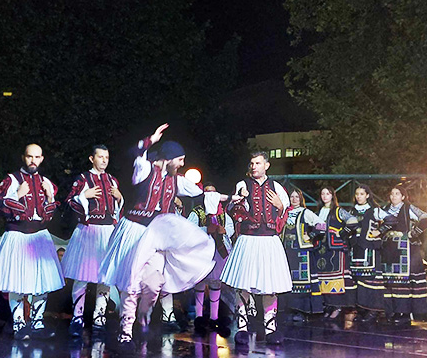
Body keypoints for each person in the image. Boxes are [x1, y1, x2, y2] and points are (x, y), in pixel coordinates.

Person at [99, 124, 222, 352]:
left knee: (153, 284)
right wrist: (151, 140)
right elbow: (134, 153)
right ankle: (125, 332)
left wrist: (233, 197)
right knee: (131, 284)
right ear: (169, 158)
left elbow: (204, 194)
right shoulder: (146, 170)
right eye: (180, 159)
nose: (182, 164)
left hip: (155, 236)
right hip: (134, 230)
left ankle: (142, 320)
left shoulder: (177, 181)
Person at [0, 143, 64, 340]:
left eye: (37, 157)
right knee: (17, 282)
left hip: (40, 235)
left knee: (42, 282)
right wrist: (16, 195)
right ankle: (19, 324)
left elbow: (52, 214)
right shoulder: (12, 180)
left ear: (42, 159)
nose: (33, 161)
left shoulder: (46, 182)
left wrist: (50, 196)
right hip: (17, 234)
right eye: (30, 156)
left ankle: (37, 323)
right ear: (24, 157)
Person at [221, 151, 291, 345]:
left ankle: (270, 329)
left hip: (269, 240)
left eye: (258, 163)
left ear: (266, 165)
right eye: (252, 163)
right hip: (249, 239)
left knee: (271, 285)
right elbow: (232, 211)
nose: (254, 166)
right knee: (244, 284)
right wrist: (240, 201)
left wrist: (280, 206)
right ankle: (242, 328)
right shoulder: (242, 185)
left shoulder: (276, 187)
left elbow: (285, 214)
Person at [62, 144, 124, 337]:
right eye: (100, 157)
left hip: (107, 231)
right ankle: (77, 317)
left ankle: (100, 317)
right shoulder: (82, 179)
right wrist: (83, 196)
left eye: (106, 157)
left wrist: (119, 197)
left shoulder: (112, 180)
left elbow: (118, 210)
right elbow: (69, 202)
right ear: (92, 158)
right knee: (82, 276)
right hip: (88, 230)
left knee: (105, 277)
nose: (104, 160)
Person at [381, 185, 427, 325]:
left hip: (406, 249)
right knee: (389, 280)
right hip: (389, 248)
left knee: (403, 281)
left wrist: (412, 234)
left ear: (403, 196)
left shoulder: (408, 208)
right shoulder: (384, 209)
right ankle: (390, 311)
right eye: (392, 193)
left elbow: (426, 219)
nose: (393, 196)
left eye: (397, 194)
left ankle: (403, 312)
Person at [188, 183, 235, 334]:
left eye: (213, 193)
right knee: (200, 282)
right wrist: (205, 230)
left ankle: (214, 317)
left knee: (216, 283)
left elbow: (230, 228)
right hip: (201, 252)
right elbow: (189, 229)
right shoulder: (197, 212)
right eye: (207, 192)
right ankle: (199, 317)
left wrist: (224, 230)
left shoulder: (223, 214)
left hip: (218, 252)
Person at [346, 184, 393, 324]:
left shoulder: (374, 210)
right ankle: (362, 310)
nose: (359, 196)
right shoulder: (352, 211)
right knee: (358, 280)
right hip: (356, 249)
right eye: (357, 194)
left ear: (367, 195)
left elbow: (391, 219)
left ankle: (373, 310)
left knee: (371, 280)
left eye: (362, 194)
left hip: (370, 249)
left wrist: (379, 231)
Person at [313, 186, 357, 324]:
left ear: (332, 196)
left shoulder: (338, 211)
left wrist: (342, 232)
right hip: (321, 249)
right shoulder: (318, 212)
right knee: (323, 277)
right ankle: (327, 306)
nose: (325, 196)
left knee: (335, 277)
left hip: (335, 248)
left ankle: (337, 306)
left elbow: (353, 221)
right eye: (323, 193)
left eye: (328, 193)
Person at [279, 188, 324, 322]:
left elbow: (322, 225)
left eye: (296, 197)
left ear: (301, 199)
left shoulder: (305, 212)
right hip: (287, 251)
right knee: (288, 281)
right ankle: (289, 309)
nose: (294, 199)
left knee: (302, 282)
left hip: (301, 251)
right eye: (292, 197)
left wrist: (311, 235)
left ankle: (302, 311)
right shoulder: (285, 213)